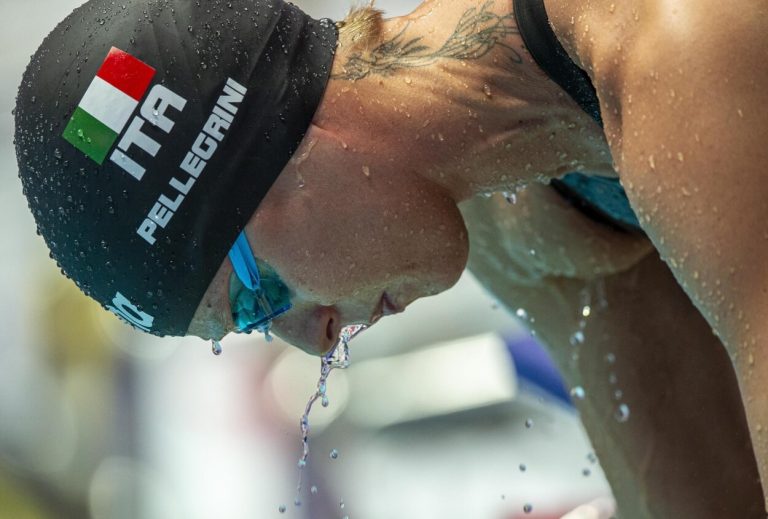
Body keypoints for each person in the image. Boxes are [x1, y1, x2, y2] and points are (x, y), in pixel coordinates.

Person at [14, 0, 768, 515]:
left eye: (256, 299)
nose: (317, 339)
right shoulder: (524, 221)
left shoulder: (683, 46)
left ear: (276, 143)